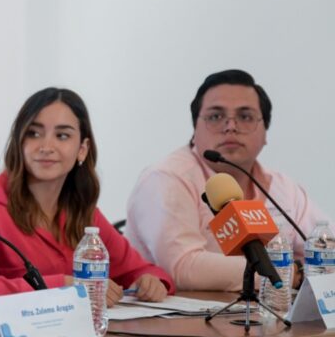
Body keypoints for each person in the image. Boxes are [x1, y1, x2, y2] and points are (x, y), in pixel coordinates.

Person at [0, 87, 174, 307]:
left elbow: (140, 270)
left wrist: (150, 282)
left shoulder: (83, 211)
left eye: (62, 136)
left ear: (82, 149)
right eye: (33, 134)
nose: (46, 147)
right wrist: (62, 287)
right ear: (19, 143)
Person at [125, 69, 329, 291]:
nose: (231, 127)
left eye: (245, 117)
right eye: (216, 117)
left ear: (265, 132)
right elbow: (184, 267)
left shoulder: (282, 187)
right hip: (183, 312)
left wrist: (305, 269)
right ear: (195, 129)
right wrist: (286, 274)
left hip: (264, 310)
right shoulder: (166, 179)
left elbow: (326, 246)